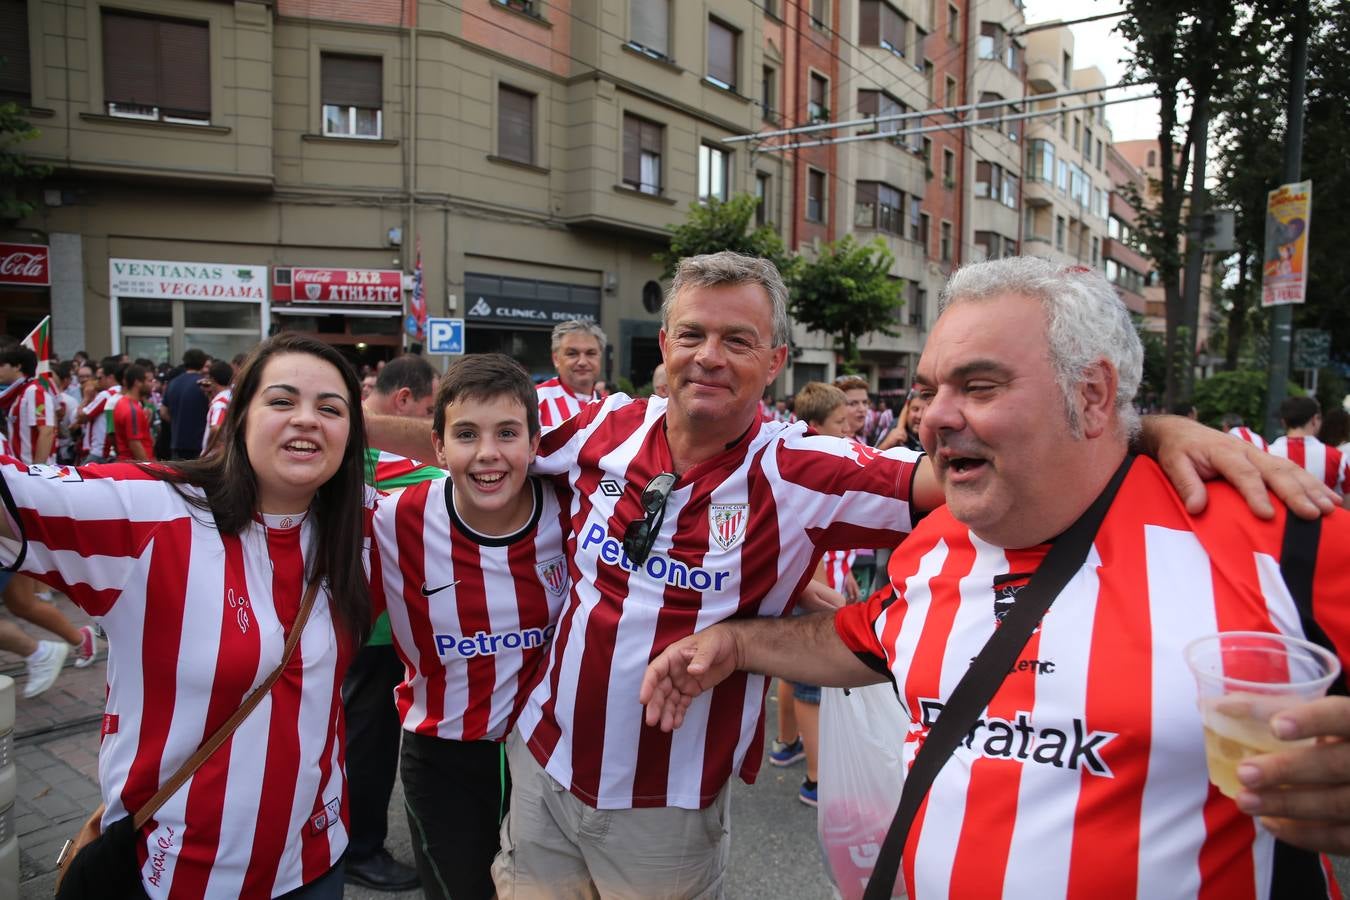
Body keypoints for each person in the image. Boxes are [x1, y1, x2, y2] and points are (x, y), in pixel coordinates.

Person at [481, 251, 1334, 898]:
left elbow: (963, 467)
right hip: (543, 759)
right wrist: (739, 641)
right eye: (929, 390)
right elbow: (857, 638)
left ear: (774, 362)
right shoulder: (601, 427)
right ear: (662, 347)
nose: (938, 417)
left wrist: (1155, 432)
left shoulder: (1282, 542)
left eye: (980, 384)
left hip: (660, 797)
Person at [0, 333, 372, 898]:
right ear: (239, 415)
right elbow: (13, 500)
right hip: (176, 873)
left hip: (317, 861)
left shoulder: (364, 528)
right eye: (281, 401)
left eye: (330, 409)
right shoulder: (152, 509)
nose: (306, 420)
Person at [369, 353, 568, 900]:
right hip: (444, 759)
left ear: (535, 443)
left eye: (507, 433)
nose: (487, 454)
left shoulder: (572, 512)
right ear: (437, 446)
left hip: (546, 758)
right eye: (465, 433)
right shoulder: (392, 519)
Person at [341, 354, 440, 894]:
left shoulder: (361, 440)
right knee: (369, 739)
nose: (429, 426)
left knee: (365, 734)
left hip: (374, 620)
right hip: (371, 623)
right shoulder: (367, 447)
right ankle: (358, 848)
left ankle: (352, 840)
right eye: (428, 412)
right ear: (403, 402)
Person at [1270, 396, 1349, 505]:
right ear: (1314, 420)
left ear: (1283, 422)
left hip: (1278, 520)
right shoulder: (1338, 458)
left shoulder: (1266, 453)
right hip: (1324, 520)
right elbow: (1346, 506)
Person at [535, 319, 605, 427]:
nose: (582, 362)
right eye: (572, 353)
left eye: (591, 353)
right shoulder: (535, 401)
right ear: (556, 359)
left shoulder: (610, 407)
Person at [160, 348, 211, 460]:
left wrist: (177, 421)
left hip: (177, 442)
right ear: (203, 363)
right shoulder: (205, 384)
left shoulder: (173, 383)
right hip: (200, 443)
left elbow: (163, 412)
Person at [112, 363, 156, 462]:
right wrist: (149, 467)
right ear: (137, 382)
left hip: (130, 464)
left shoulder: (122, 403)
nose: (152, 384)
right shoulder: (132, 409)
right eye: (148, 381)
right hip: (136, 466)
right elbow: (135, 443)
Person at [201, 360, 235, 455]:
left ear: (212, 379)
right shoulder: (233, 396)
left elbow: (216, 428)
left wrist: (207, 449)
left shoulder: (220, 403)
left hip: (214, 457)